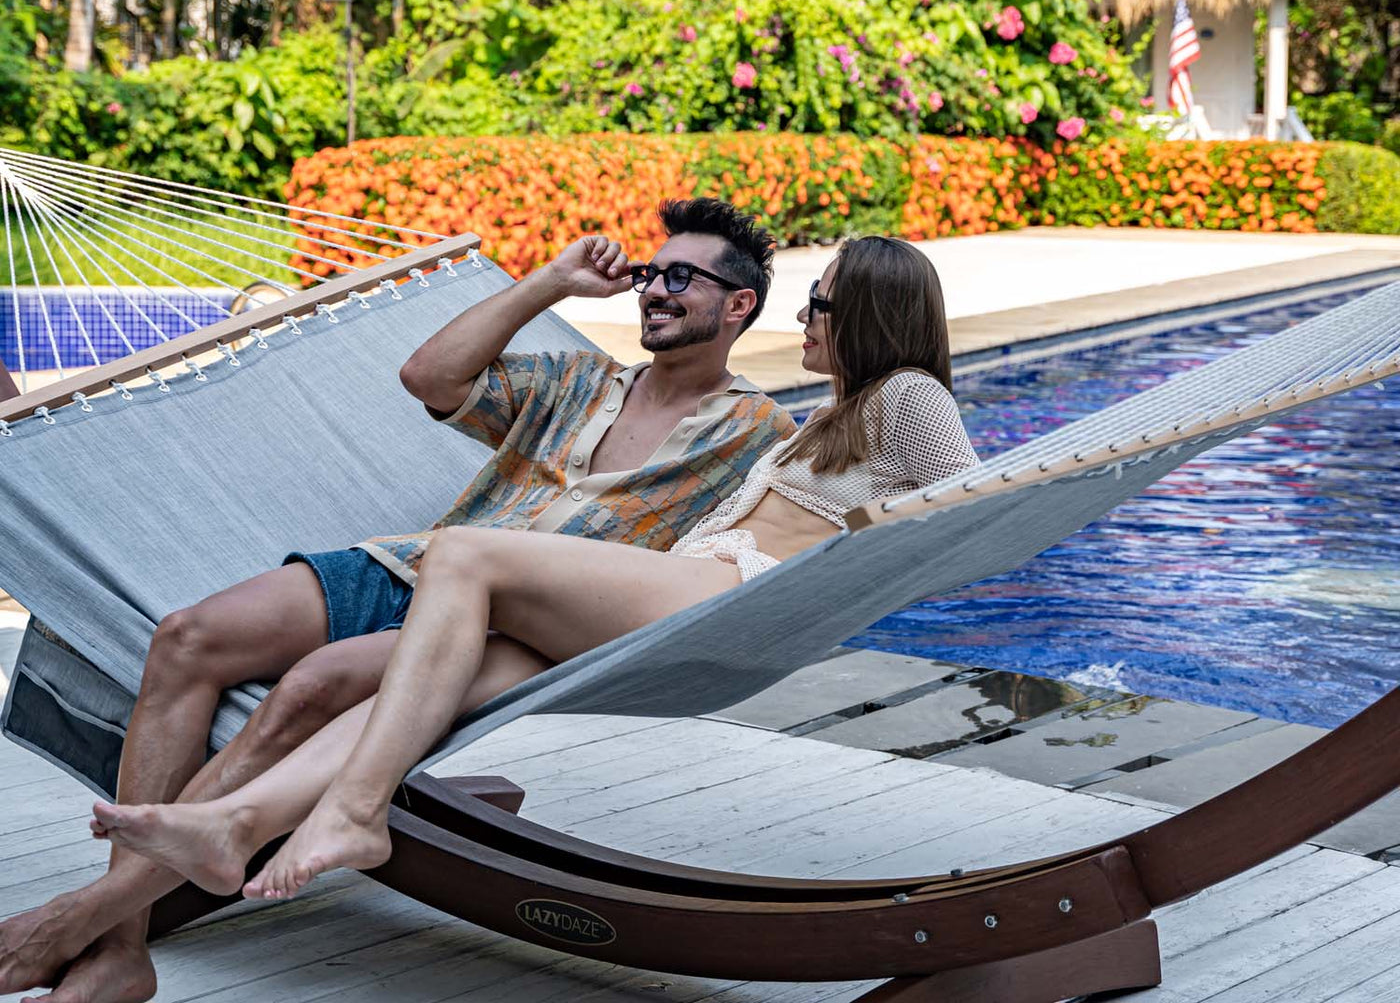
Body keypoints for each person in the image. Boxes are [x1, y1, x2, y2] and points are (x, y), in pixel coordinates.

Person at [0, 199, 795, 1003]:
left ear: (738, 305)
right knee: (186, 636)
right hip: (414, 561)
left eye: (682, 278)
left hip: (506, 620)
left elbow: (801, 526)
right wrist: (549, 283)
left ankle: (87, 921)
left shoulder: (759, 432)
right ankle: (118, 944)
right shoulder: (579, 379)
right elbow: (430, 376)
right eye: (653, 273)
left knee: (309, 687)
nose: (657, 288)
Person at [85, 236, 979, 910]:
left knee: (464, 553)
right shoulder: (837, 413)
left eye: (817, 305)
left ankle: (353, 811)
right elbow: (430, 377)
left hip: (720, 596)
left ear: (862, 309)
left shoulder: (906, 396)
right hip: (669, 595)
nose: (804, 321)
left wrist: (857, 569)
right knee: (398, 681)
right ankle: (237, 822)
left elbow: (973, 509)